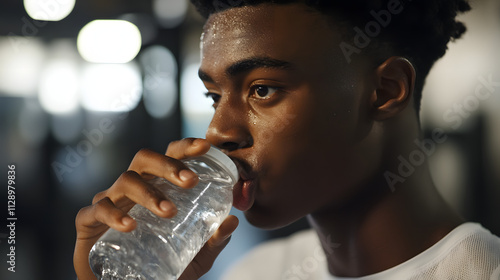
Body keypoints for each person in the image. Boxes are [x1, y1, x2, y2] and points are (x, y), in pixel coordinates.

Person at [74, 0, 500, 279]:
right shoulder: (257, 272)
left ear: (386, 91)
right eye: (214, 96)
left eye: (262, 89)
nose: (218, 132)